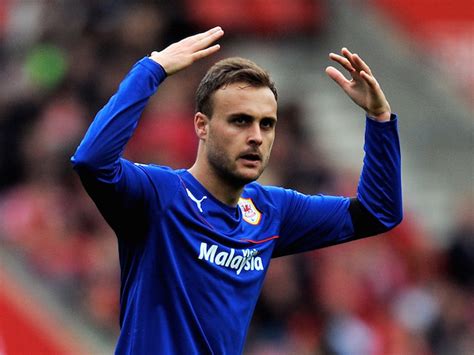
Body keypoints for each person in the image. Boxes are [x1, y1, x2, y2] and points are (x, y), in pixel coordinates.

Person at [72, 26, 402, 354]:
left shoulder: (271, 212)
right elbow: (92, 161)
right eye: (240, 121)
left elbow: (378, 212)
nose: (256, 136)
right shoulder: (159, 196)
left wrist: (379, 118)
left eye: (266, 124)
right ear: (202, 125)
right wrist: (151, 70)